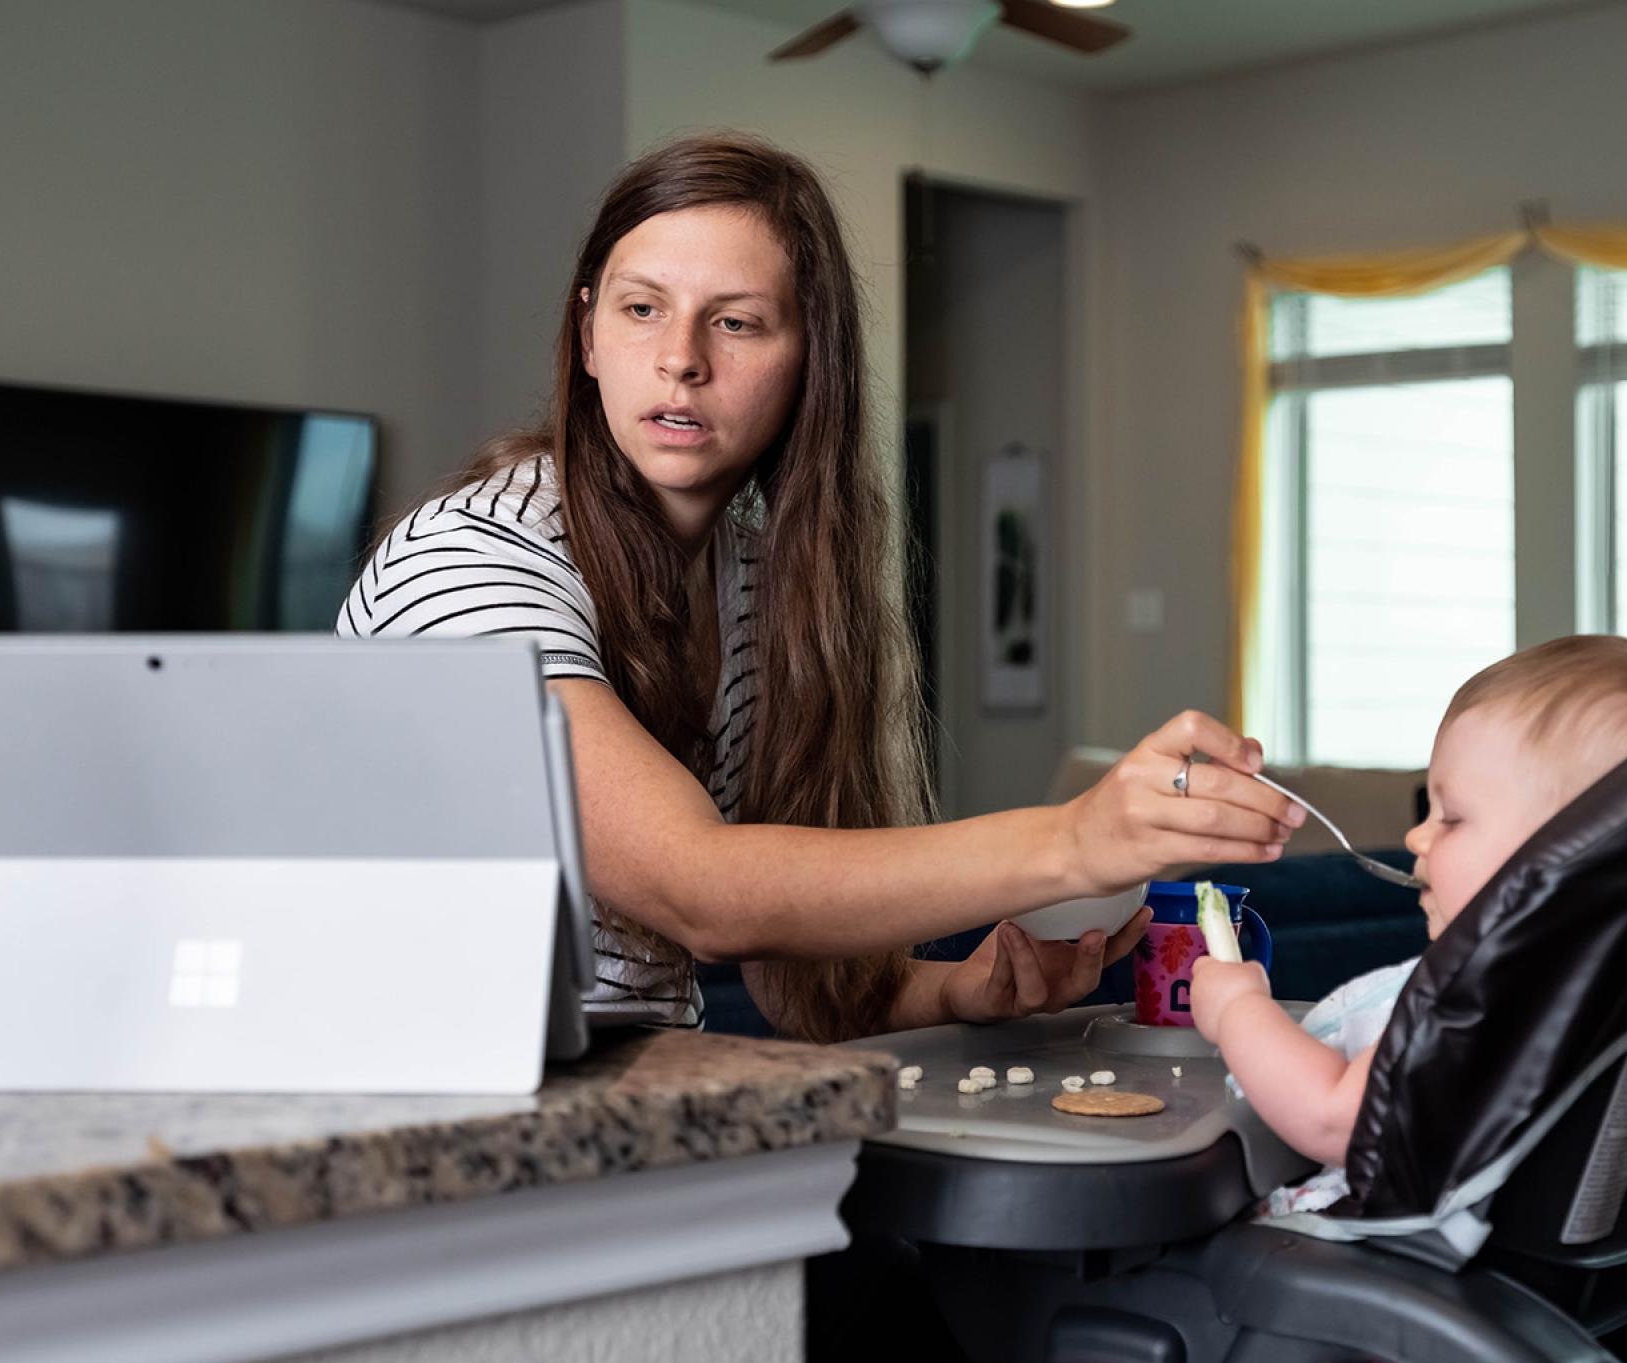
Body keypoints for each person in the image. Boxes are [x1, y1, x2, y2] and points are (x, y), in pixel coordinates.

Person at [337, 132, 1301, 1043]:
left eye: (737, 322)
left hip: (611, 1105)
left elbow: (798, 979)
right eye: (641, 309)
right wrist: (1077, 841)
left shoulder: (752, 585)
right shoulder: (473, 562)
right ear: (587, 336)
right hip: (398, 1118)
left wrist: (960, 990)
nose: (681, 358)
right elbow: (701, 892)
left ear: (810, 365)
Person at [905, 634, 1627, 1363]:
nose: (1420, 841)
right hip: (1494, 1299)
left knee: (1118, 1253)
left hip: (1329, 1311)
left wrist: (1239, 1011)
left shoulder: (1491, 1006)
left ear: (1574, 860)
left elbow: (1336, 1118)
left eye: (1452, 817)